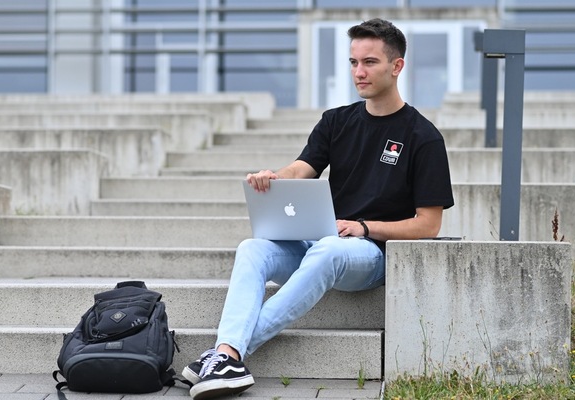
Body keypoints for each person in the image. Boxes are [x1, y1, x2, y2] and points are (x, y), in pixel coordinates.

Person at [184, 17, 454, 400]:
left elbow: (429, 225)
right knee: (253, 248)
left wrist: (363, 227)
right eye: (353, 62)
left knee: (329, 248)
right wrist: (273, 178)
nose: (358, 72)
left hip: (370, 255)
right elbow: (302, 168)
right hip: (325, 241)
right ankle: (227, 356)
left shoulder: (422, 137)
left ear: (397, 66)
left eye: (370, 62)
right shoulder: (336, 121)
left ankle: (228, 353)